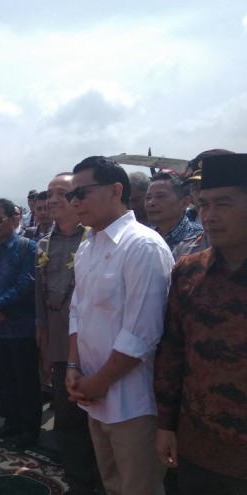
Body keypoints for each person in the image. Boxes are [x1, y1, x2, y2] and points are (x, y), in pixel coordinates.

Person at [65, 156, 173, 495]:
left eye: (82, 192)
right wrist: (74, 366)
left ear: (115, 191)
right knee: (112, 484)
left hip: (131, 400)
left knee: (139, 487)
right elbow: (78, 311)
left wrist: (98, 382)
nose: (74, 202)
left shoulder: (142, 245)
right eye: (71, 195)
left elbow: (141, 334)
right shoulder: (88, 247)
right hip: (93, 393)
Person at [154, 153, 247, 494]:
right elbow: (172, 352)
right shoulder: (189, 270)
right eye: (203, 204)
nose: (209, 215)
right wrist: (165, 424)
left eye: (223, 203)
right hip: (197, 445)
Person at [35, 173, 99, 495]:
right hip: (60, 345)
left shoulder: (95, 241)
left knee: (100, 421)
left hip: (96, 345)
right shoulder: (43, 244)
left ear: (78, 199)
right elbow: (41, 299)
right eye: (50, 194)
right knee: (67, 417)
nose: (53, 200)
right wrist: (43, 341)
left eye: (62, 193)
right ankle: (79, 482)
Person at [0, 198, 41, 448]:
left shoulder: (27, 247)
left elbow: (26, 283)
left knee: (25, 380)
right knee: (5, 380)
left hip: (22, 327)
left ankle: (29, 430)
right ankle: (11, 422)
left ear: (14, 219)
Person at [145, 172, 203, 253]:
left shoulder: (199, 238)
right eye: (148, 197)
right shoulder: (145, 238)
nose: (151, 203)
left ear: (184, 203)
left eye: (160, 196)